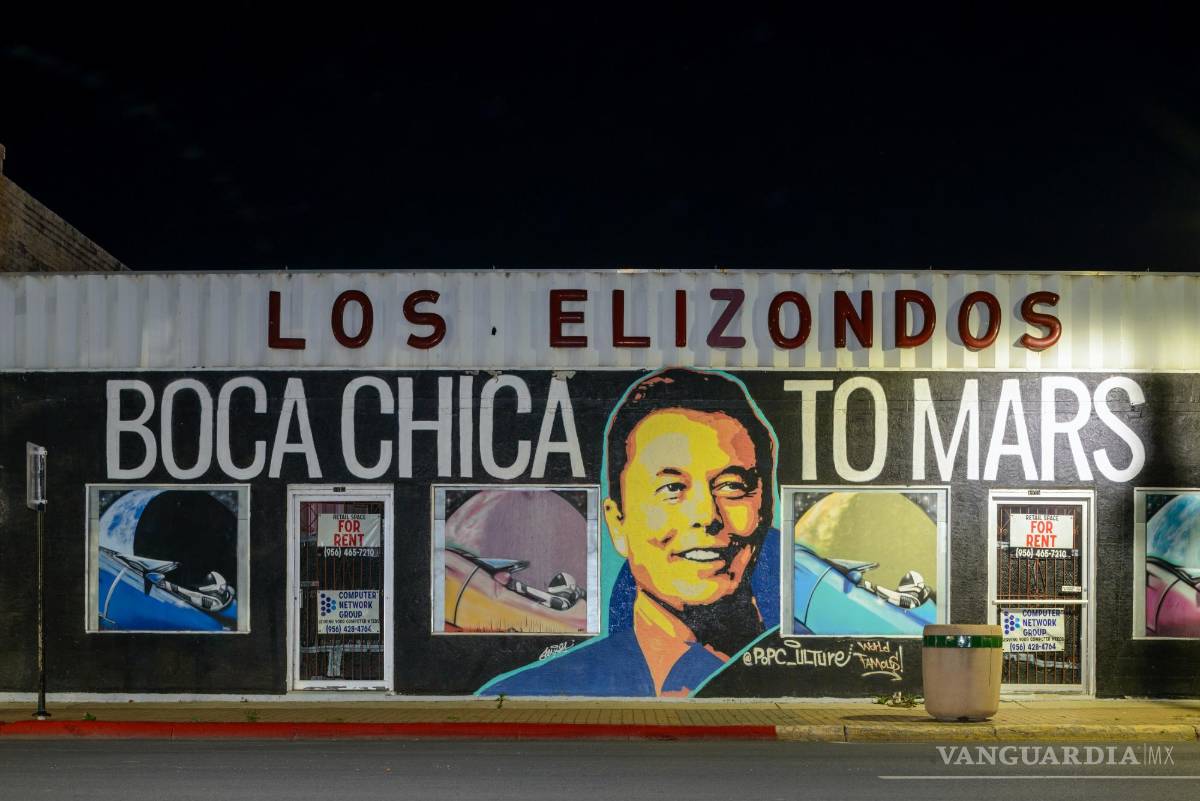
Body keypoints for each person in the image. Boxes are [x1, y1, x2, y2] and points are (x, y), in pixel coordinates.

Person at [478, 368, 779, 697]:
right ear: (617, 522)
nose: (707, 515)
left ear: (767, 508)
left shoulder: (811, 664)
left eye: (732, 486)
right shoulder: (529, 696)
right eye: (671, 487)